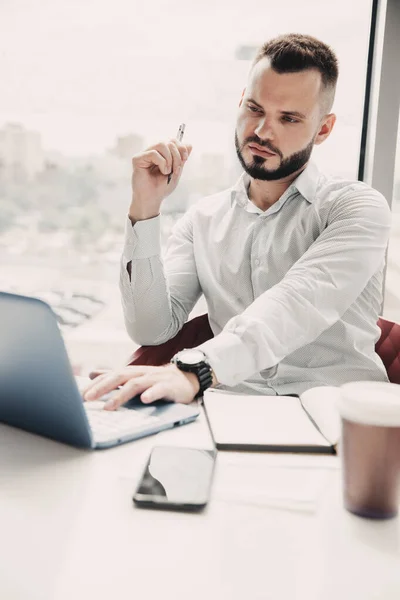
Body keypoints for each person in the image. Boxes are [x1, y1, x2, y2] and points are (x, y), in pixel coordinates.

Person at [84, 33, 392, 410]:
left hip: (339, 422)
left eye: (289, 118)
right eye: (255, 108)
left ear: (323, 129)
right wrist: (145, 207)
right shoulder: (203, 220)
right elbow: (151, 330)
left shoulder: (357, 208)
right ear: (240, 103)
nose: (262, 131)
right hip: (228, 413)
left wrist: (197, 369)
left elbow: (296, 303)